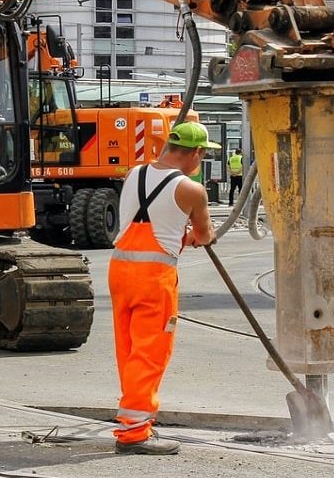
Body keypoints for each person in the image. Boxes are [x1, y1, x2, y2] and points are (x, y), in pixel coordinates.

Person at [110, 121, 217, 455]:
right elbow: (204, 235)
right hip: (153, 278)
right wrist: (187, 233)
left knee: (128, 349)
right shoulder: (191, 190)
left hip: (119, 271)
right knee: (149, 352)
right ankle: (134, 433)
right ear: (196, 153)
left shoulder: (133, 174)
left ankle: (133, 419)